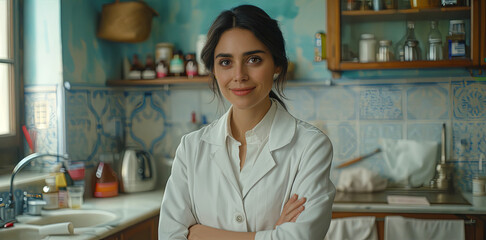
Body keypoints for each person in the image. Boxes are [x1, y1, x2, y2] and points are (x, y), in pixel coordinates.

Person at [159, 4, 335, 240]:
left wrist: (199, 234)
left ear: (277, 64)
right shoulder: (191, 149)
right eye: (225, 62)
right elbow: (169, 236)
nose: (239, 75)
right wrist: (272, 234)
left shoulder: (311, 147)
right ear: (213, 69)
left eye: (253, 59)